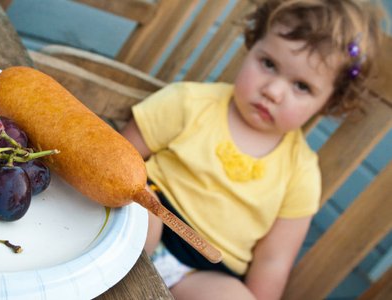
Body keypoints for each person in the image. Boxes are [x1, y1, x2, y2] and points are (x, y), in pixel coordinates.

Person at [120, 0, 384, 299]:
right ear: (253, 44)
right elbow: (120, 157)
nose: (273, 91)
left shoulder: (301, 173)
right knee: (141, 207)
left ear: (327, 103)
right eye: (269, 64)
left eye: (301, 86)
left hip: (201, 273)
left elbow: (273, 260)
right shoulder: (189, 103)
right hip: (153, 220)